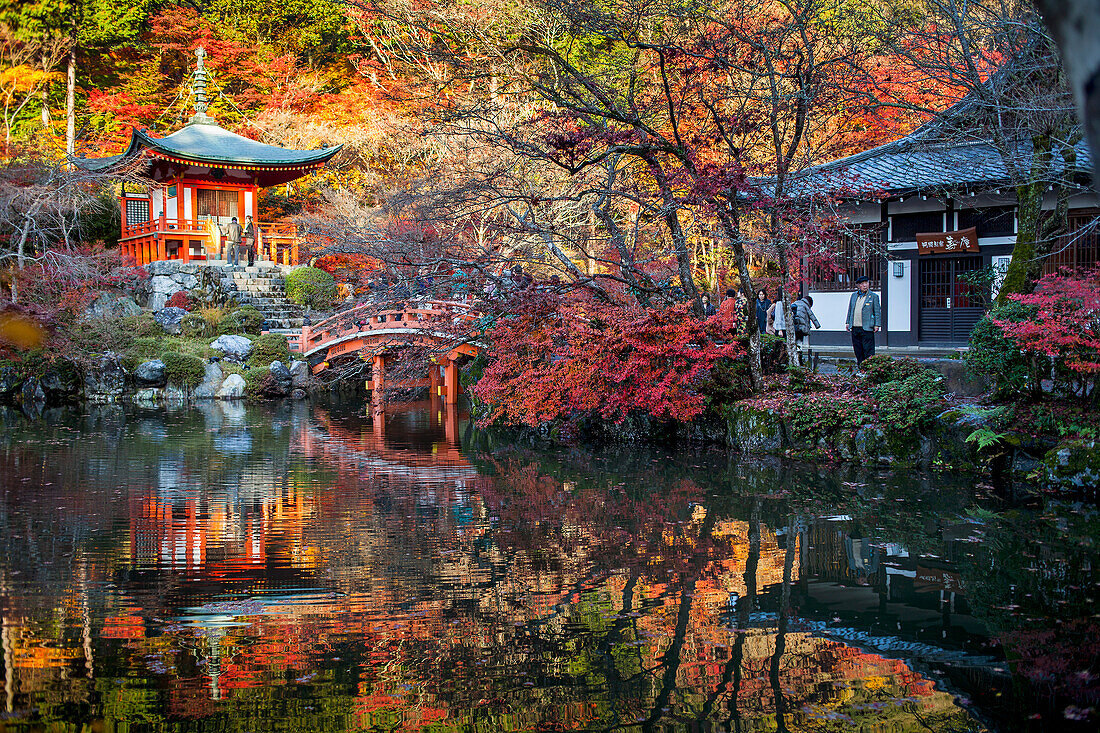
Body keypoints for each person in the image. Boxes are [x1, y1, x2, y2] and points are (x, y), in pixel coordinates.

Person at [845, 275, 881, 365]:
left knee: (868, 349)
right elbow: (850, 309)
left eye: (867, 283)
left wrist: (877, 324)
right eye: (862, 284)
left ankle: (868, 368)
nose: (865, 285)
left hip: (867, 327)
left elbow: (877, 311)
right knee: (858, 350)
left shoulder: (873, 296)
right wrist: (848, 322)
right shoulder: (854, 296)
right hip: (855, 327)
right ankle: (861, 368)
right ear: (859, 285)